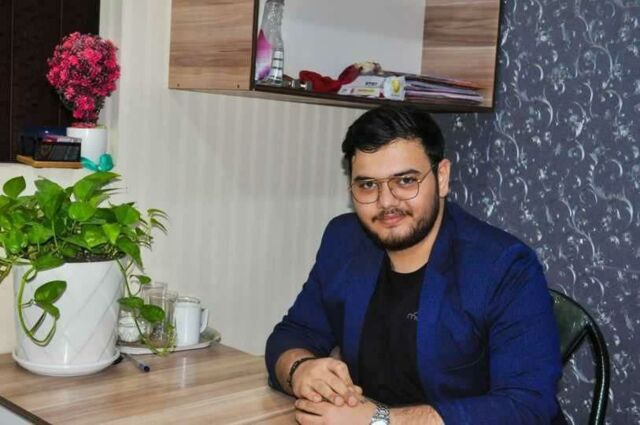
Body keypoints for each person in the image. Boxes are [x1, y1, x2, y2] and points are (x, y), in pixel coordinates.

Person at [265, 105, 565, 424]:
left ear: (442, 177)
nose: (386, 202)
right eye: (367, 185)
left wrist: (380, 421)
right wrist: (300, 370)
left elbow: (527, 405)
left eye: (406, 181)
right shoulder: (345, 240)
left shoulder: (504, 266)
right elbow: (294, 333)